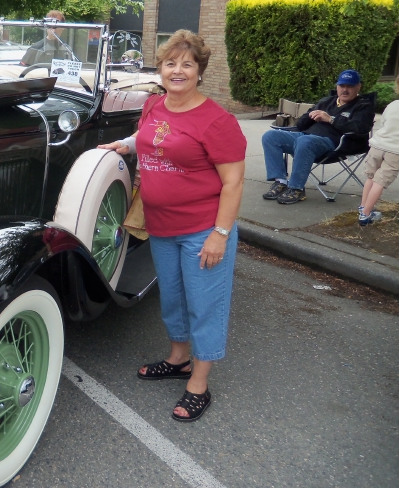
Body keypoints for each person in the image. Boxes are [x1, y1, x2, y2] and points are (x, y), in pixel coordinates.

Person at [98, 30, 246, 422]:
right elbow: (147, 136)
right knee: (174, 299)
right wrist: (125, 144)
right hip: (161, 226)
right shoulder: (154, 104)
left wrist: (220, 234)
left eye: (187, 64)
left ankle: (199, 382)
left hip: (203, 230)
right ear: (160, 69)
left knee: (204, 305)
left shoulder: (218, 122)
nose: (177, 71)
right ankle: (178, 359)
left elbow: (233, 183)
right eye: (170, 63)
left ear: (200, 71)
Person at [262, 69, 375, 204]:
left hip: (334, 143)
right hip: (305, 136)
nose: (345, 90)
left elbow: (360, 128)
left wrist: (331, 119)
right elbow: (301, 125)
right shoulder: (326, 102)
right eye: (342, 86)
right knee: (271, 136)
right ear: (337, 86)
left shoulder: (363, 106)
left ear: (358, 87)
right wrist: (310, 116)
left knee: (305, 141)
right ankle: (280, 182)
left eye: (349, 86)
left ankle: (296, 188)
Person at [359, 77, 399, 225]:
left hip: (377, 145)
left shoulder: (392, 105)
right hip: (395, 151)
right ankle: (366, 214)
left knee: (371, 177)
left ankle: (363, 206)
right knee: (380, 182)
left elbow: (384, 122)